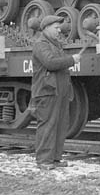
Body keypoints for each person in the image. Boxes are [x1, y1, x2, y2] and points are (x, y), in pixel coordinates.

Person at [31, 15, 81, 170]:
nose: (59, 30)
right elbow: (50, 63)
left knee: (60, 125)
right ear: (46, 28)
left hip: (60, 90)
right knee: (48, 125)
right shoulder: (41, 44)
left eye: (60, 28)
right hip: (47, 91)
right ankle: (44, 160)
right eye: (56, 28)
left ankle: (55, 159)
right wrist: (72, 60)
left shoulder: (56, 44)